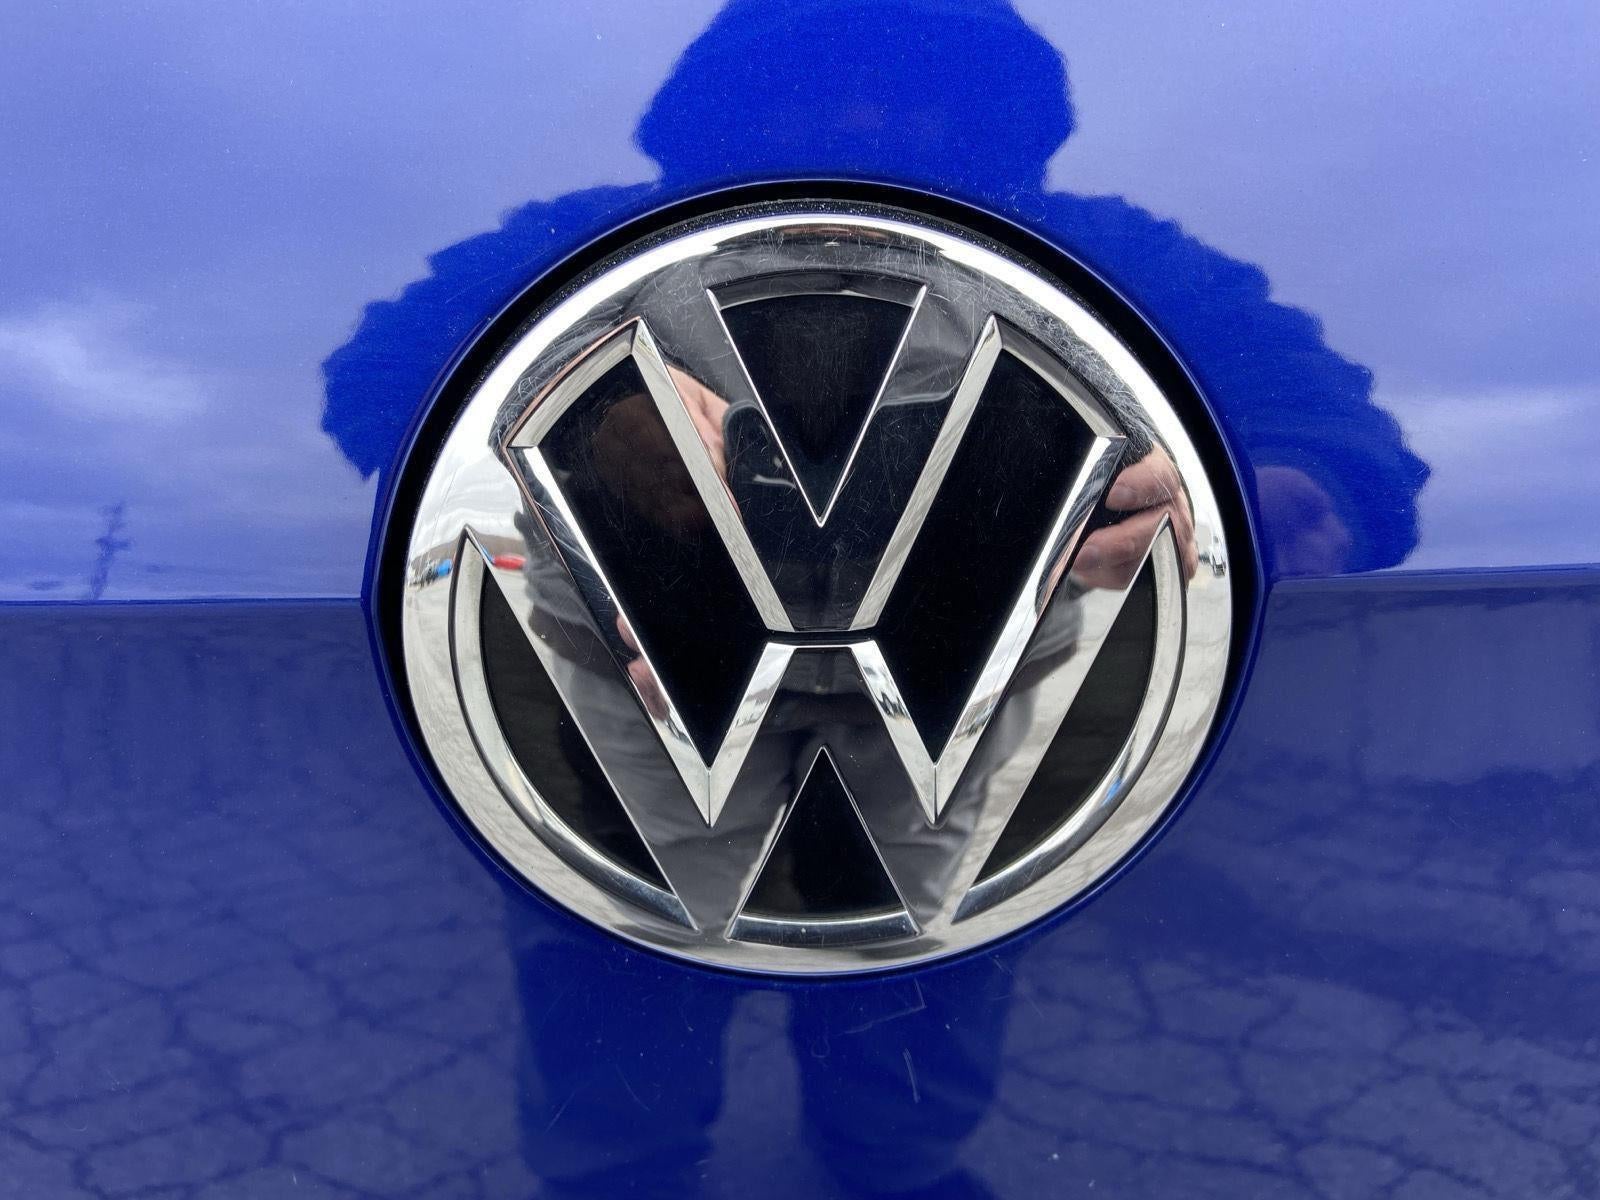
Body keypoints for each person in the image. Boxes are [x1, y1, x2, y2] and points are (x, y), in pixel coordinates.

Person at [321, 3, 1429, 1194]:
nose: (862, 120)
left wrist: (1295, 492)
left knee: (922, 982)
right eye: (813, 84)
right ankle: (621, 1172)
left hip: (956, 705)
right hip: (644, 702)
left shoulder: (1134, 253)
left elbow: (1338, 432)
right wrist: (594, 421)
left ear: (997, 118)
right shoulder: (563, 240)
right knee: (608, 984)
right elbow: (368, 383)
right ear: (718, 111)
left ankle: (892, 1166)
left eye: (916, 91)